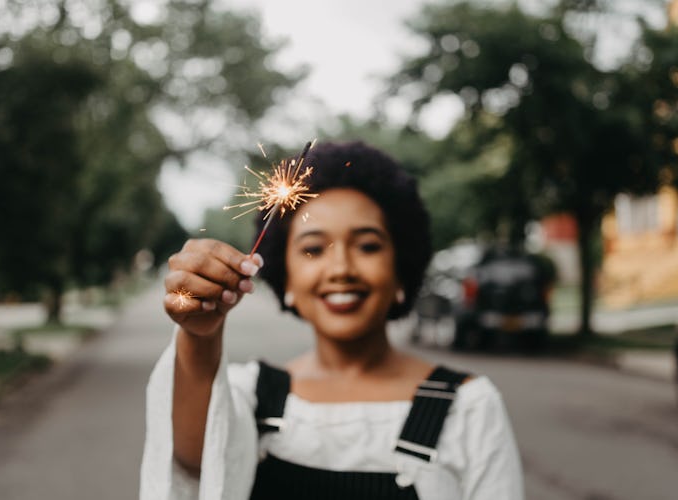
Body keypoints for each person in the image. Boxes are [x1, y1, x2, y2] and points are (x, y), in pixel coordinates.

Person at [141, 142, 524, 499]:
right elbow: (197, 462)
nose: (341, 268)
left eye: (368, 245)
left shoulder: (470, 408)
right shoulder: (251, 395)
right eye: (313, 249)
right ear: (284, 276)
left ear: (400, 271)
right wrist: (199, 335)